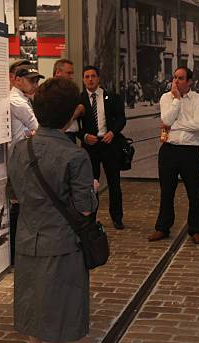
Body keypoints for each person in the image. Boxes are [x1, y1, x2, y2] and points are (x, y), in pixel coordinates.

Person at [7, 77, 98, 343]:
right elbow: (85, 210)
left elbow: (14, 195)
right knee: (55, 311)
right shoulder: (74, 156)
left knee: (35, 307)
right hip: (61, 244)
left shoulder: (21, 148)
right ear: (70, 114)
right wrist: (94, 193)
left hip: (28, 238)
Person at [147, 67, 199, 244]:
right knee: (166, 192)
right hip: (169, 151)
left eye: (181, 78)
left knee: (194, 192)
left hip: (190, 152)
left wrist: (176, 124)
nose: (176, 81)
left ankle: (196, 229)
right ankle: (162, 228)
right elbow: (166, 121)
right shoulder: (166, 97)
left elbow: (197, 125)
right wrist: (177, 100)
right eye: (175, 78)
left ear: (189, 81)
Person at [78, 65, 127, 230]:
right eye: (87, 76)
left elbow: (121, 118)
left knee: (114, 183)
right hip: (90, 147)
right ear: (83, 79)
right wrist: (84, 136)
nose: (90, 79)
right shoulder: (79, 100)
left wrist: (112, 132)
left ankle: (117, 217)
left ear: (98, 78)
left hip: (108, 144)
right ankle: (91, 218)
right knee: (91, 184)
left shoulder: (111, 97)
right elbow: (74, 125)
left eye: (93, 76)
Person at [8, 64, 43, 266]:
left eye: (37, 80)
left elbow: (36, 131)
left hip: (23, 158)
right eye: (31, 80)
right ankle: (15, 253)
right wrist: (32, 133)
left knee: (23, 205)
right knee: (19, 206)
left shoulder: (24, 100)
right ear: (18, 80)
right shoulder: (17, 102)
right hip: (19, 161)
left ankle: (19, 251)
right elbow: (38, 128)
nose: (35, 84)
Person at [52, 58, 85, 143]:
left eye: (72, 73)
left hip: (71, 135)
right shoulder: (50, 92)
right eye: (68, 73)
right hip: (59, 135)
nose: (71, 77)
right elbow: (62, 117)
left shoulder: (69, 90)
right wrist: (78, 110)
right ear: (58, 72)